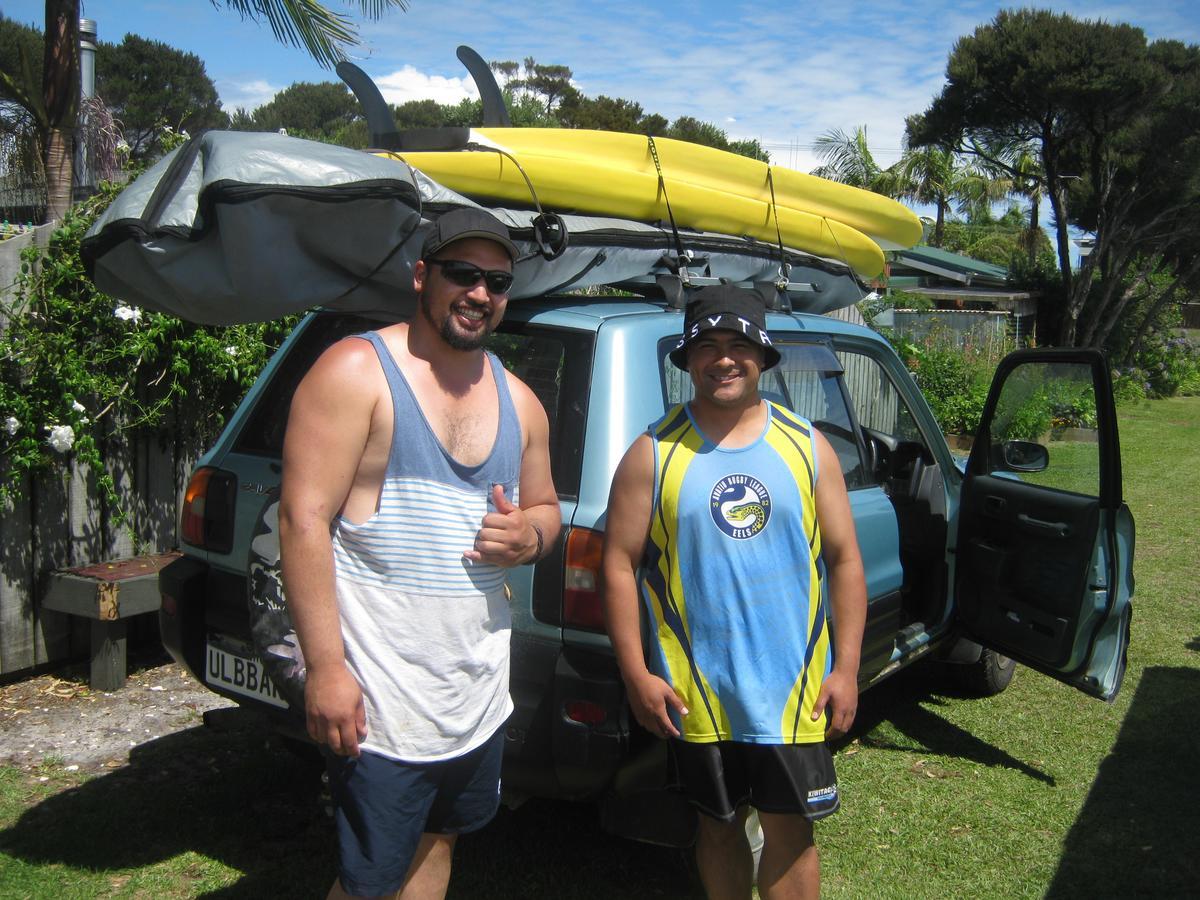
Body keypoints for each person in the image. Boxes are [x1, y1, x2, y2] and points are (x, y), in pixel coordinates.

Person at [279, 207, 561, 900]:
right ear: (421, 277)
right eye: (462, 273)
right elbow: (302, 520)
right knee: (367, 880)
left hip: (474, 697)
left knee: (441, 843)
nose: (479, 293)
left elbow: (548, 512)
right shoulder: (356, 372)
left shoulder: (520, 402)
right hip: (383, 702)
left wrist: (530, 537)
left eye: (496, 281)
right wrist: (325, 669)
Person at [601, 284, 866, 900]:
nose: (724, 358)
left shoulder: (807, 446)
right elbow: (618, 563)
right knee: (717, 829)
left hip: (792, 689)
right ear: (688, 359)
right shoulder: (652, 453)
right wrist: (636, 673)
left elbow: (846, 559)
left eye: (739, 344)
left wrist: (847, 669)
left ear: (763, 356)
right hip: (696, 694)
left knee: (790, 834)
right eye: (708, 345)